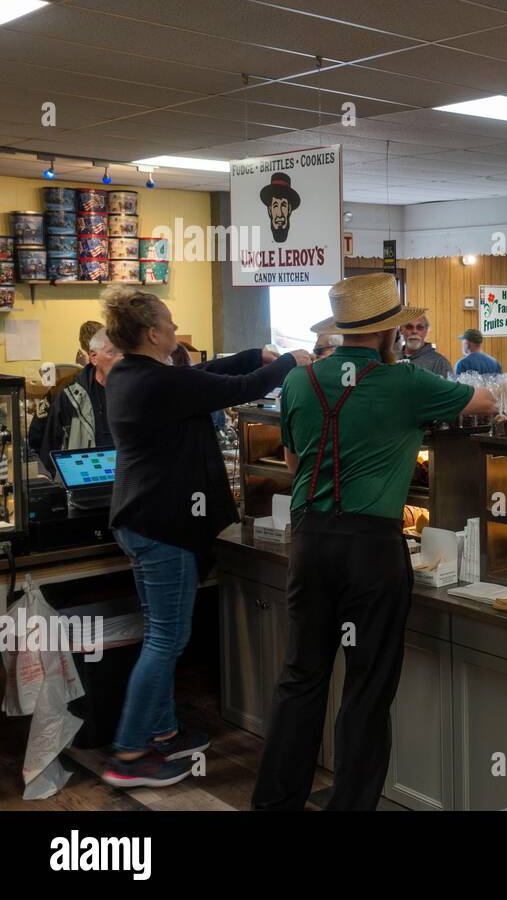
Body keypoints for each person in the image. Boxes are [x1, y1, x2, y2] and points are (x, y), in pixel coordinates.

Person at [253, 274, 496, 811]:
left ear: (339, 332)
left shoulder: (300, 383)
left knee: (301, 677)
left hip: (311, 541)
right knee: (367, 687)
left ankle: (274, 805)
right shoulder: (406, 382)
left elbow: (294, 464)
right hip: (372, 549)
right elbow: (482, 400)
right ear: (390, 331)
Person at [99, 287, 311, 788]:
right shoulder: (156, 383)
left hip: (141, 521)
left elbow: (203, 377)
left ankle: (163, 729)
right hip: (160, 525)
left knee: (160, 634)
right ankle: (129, 754)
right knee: (166, 639)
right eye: (170, 323)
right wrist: (287, 363)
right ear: (153, 333)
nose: (175, 329)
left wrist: (254, 353)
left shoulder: (134, 374)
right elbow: (230, 389)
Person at [35, 328, 121, 472]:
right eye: (112, 352)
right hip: (84, 480)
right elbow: (47, 447)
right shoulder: (69, 394)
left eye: (124, 352)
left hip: (123, 480)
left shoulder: (132, 392)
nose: (120, 358)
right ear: (93, 357)